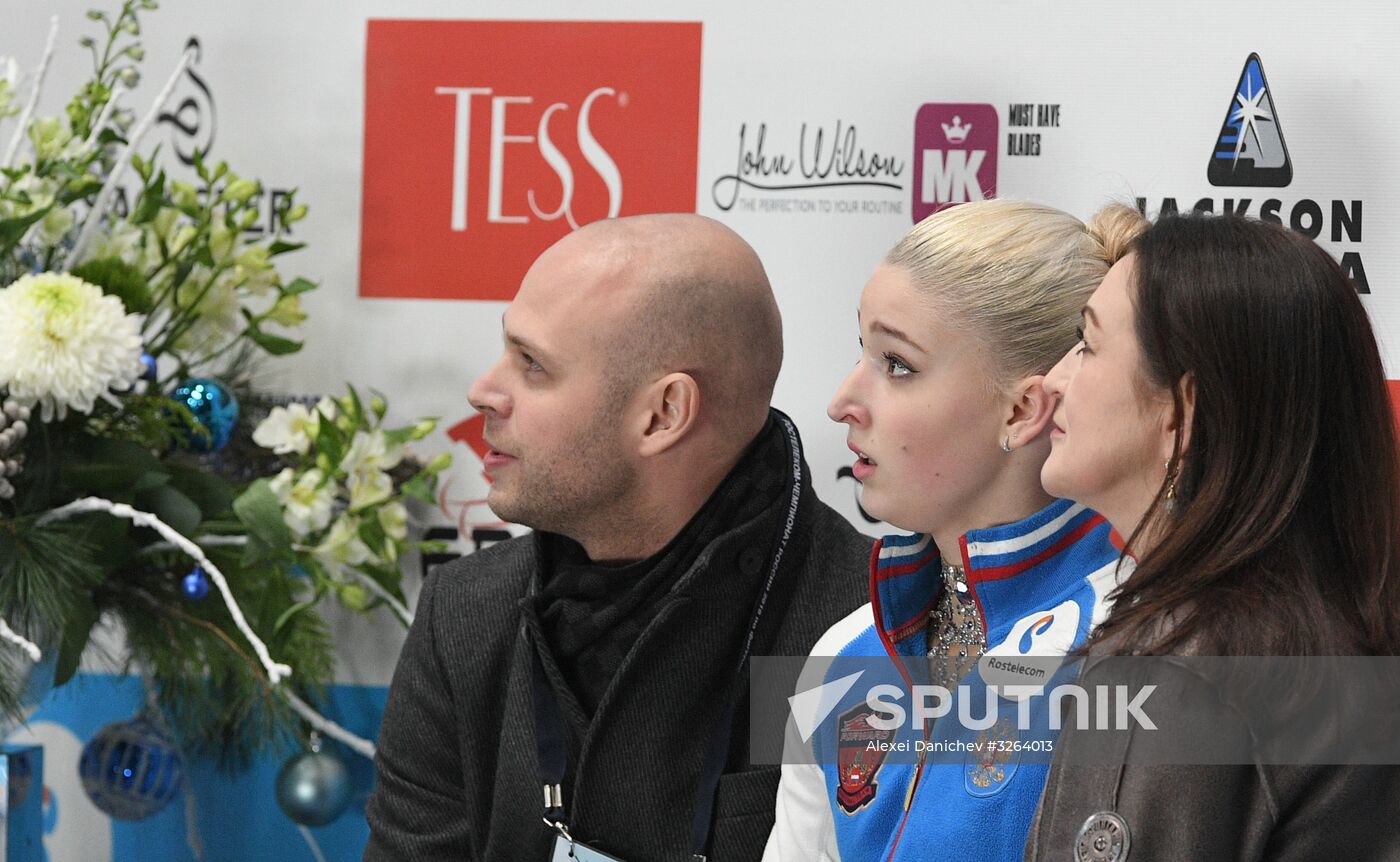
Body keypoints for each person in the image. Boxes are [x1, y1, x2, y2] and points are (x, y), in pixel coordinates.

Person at [364, 213, 873, 861]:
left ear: (663, 415)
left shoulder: (870, 639)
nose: (483, 391)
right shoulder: (465, 614)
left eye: (532, 365)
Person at [764, 199, 1144, 862]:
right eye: (864, 353)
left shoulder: (1138, 643)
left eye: (898, 365)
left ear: (1025, 410)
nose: (842, 402)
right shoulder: (843, 656)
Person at [1026, 212, 1400, 860]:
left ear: (1183, 412)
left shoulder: (1178, 675)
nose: (1052, 381)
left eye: (1086, 345)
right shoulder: (1337, 635)